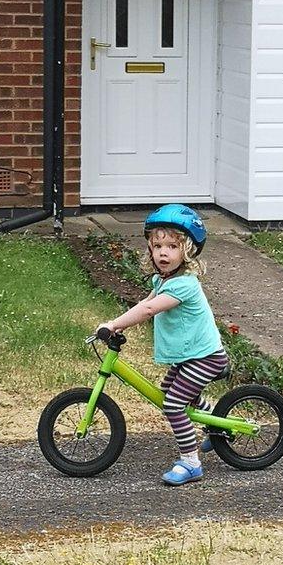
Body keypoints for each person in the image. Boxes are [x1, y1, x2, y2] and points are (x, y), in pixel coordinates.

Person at [96, 204, 227, 486]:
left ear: (188, 250)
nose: (163, 252)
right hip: (189, 356)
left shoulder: (184, 285)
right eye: (157, 246)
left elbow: (148, 310)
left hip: (204, 357)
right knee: (171, 391)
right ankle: (216, 425)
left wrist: (115, 325)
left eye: (172, 246)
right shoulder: (163, 279)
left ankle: (191, 462)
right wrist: (115, 321)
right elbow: (145, 302)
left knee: (173, 404)